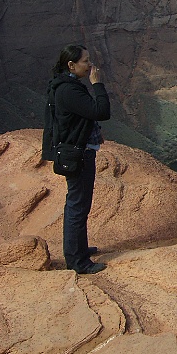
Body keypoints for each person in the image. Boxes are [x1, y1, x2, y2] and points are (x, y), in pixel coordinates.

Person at [42, 44, 111, 274]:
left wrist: (94, 131)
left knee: (79, 205)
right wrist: (98, 84)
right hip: (77, 155)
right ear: (71, 65)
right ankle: (77, 261)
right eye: (86, 61)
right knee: (77, 206)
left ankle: (79, 250)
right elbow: (101, 111)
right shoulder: (69, 90)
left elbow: (82, 117)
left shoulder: (67, 86)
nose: (90, 65)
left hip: (77, 152)